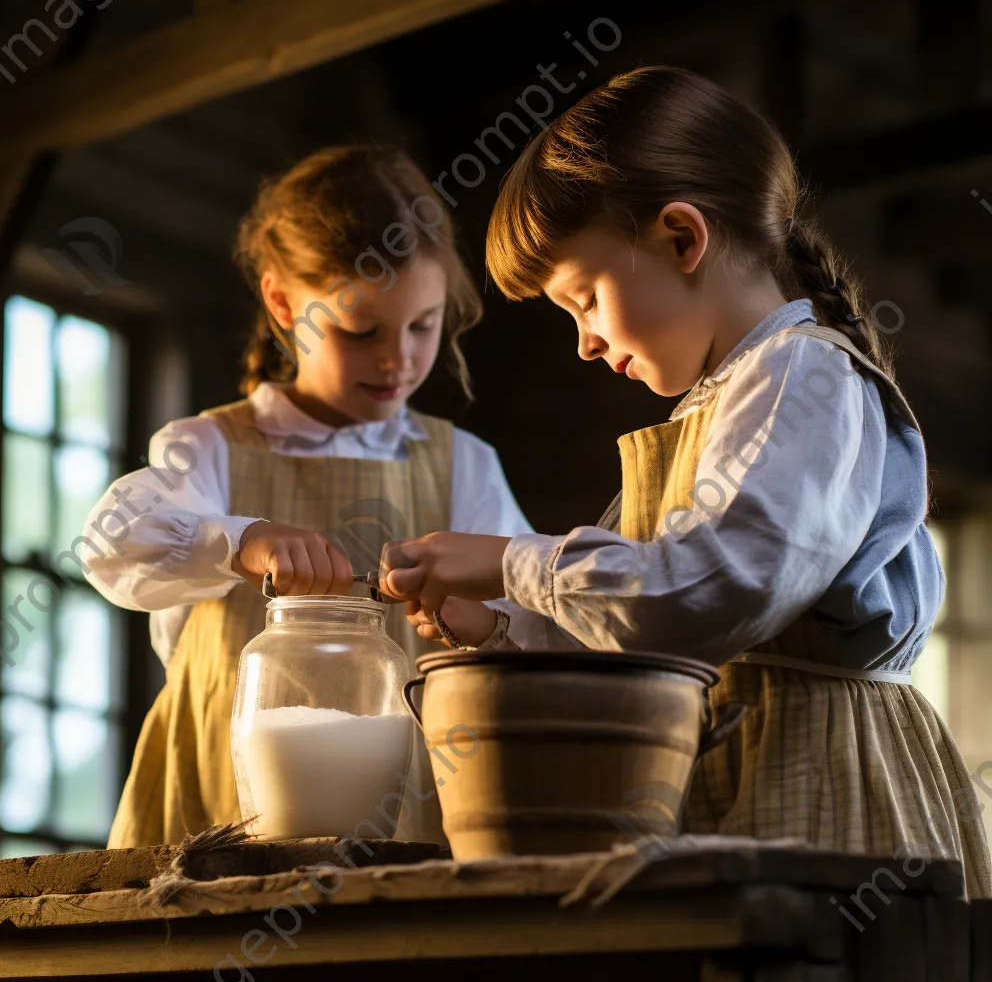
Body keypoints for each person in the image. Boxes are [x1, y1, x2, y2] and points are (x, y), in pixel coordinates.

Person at [378, 67, 992, 897]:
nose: (585, 345)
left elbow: (710, 590)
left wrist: (512, 561)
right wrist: (495, 626)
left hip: (825, 787)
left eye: (584, 299)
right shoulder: (721, 404)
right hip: (720, 774)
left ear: (681, 238)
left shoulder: (804, 379)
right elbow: (641, 621)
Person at [82, 143, 563, 850]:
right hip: (215, 809)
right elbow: (110, 543)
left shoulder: (462, 463)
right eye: (359, 330)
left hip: (401, 821)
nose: (397, 358)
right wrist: (241, 541)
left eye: (423, 326)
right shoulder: (211, 447)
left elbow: (533, 626)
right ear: (282, 301)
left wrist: (477, 622)